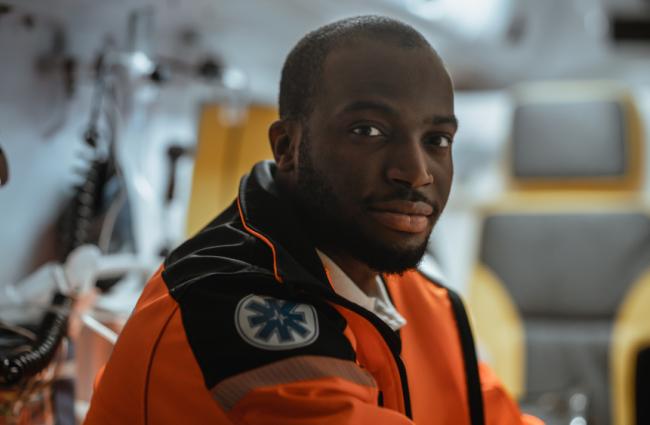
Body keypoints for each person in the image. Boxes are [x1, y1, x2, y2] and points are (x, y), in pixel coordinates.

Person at [84, 15, 543, 425]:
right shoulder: (221, 296)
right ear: (286, 147)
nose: (417, 172)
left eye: (437, 139)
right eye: (369, 131)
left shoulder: (428, 302)